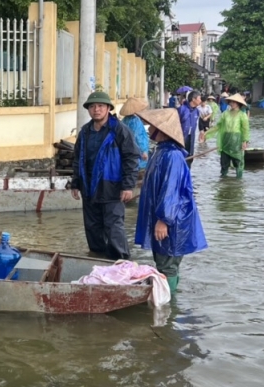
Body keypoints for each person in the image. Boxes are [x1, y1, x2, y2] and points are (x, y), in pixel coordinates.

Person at [133, 108, 208, 296]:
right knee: (163, 262)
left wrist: (164, 220)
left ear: (162, 131)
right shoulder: (161, 152)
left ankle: (168, 307)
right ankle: (166, 302)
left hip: (171, 221)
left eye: (152, 126)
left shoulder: (172, 156)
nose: (149, 129)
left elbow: (171, 191)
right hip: (164, 218)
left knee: (167, 265)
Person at [70, 90, 140, 260]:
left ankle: (122, 263)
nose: (96, 110)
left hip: (112, 189)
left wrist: (128, 186)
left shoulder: (119, 130)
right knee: (92, 228)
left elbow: (131, 157)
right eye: (92, 106)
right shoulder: (85, 132)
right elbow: (78, 158)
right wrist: (75, 183)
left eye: (101, 106)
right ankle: (97, 261)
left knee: (114, 228)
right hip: (89, 190)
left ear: (108, 108)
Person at [208, 93, 250, 177]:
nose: (232, 103)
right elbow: (218, 126)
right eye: (231, 102)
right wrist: (206, 133)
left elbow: (245, 129)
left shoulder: (242, 115)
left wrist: (245, 141)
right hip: (226, 140)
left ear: (239, 103)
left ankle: (238, 183)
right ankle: (223, 182)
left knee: (238, 163)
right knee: (224, 164)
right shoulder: (225, 114)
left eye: (235, 102)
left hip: (237, 141)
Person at [118, 97, 150, 171]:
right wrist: (144, 151)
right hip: (137, 154)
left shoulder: (124, 120)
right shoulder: (136, 121)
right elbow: (138, 137)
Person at [177, 90, 201, 157]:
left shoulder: (197, 111)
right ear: (193, 99)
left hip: (191, 137)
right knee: (181, 155)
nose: (200, 100)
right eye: (199, 98)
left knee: (190, 156)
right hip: (182, 137)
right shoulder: (181, 109)